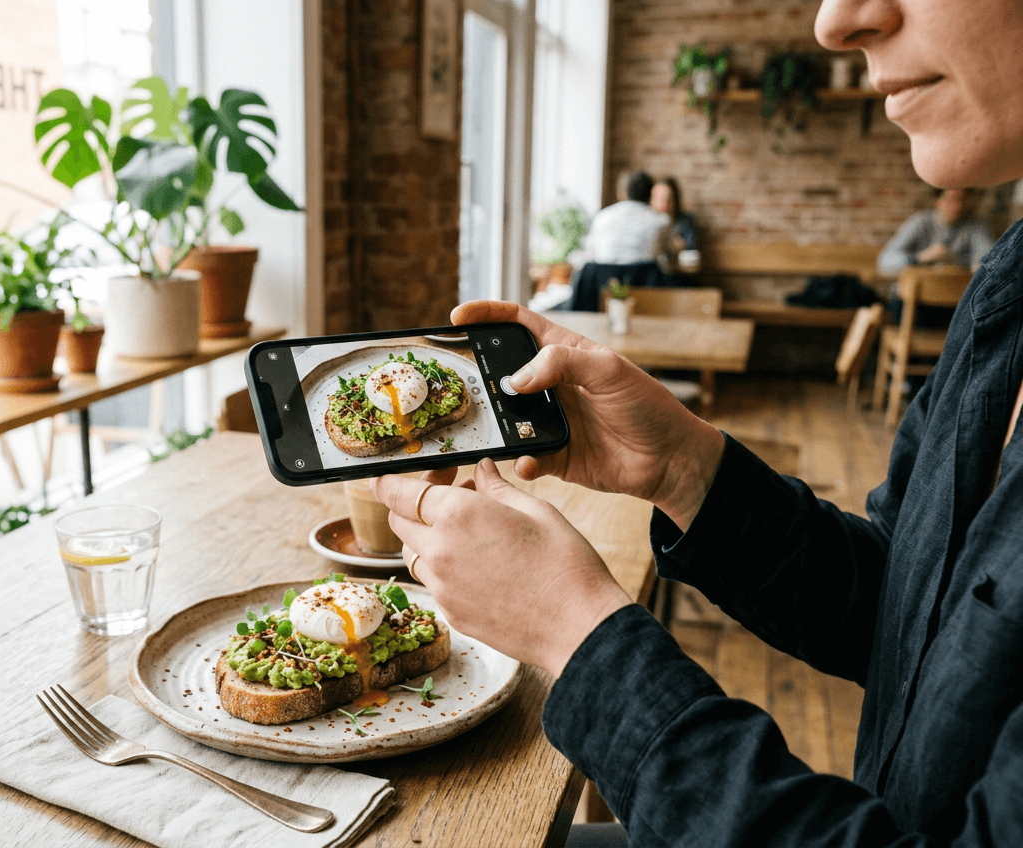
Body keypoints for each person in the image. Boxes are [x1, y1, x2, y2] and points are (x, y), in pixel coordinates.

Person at [371, 1, 1023, 845]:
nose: (835, 22)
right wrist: (686, 468)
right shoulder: (1005, 290)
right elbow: (906, 612)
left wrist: (577, 635)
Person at [877, 187, 994, 276]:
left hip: (953, 299)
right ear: (938, 201)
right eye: (952, 199)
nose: (958, 206)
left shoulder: (975, 227)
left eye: (963, 199)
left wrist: (956, 262)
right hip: (915, 297)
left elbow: (989, 263)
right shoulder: (920, 222)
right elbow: (885, 262)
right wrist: (920, 258)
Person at [584, 170, 671, 266]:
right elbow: (666, 260)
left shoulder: (601, 217)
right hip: (642, 279)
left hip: (604, 279)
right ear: (650, 194)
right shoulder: (661, 221)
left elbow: (590, 257)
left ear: (621, 193)